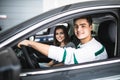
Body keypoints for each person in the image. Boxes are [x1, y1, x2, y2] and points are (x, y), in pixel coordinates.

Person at [18, 16, 108, 65]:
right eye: (76, 26)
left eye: (83, 26)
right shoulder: (84, 44)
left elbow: (65, 55)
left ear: (90, 27)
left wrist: (30, 43)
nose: (78, 29)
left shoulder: (94, 49)